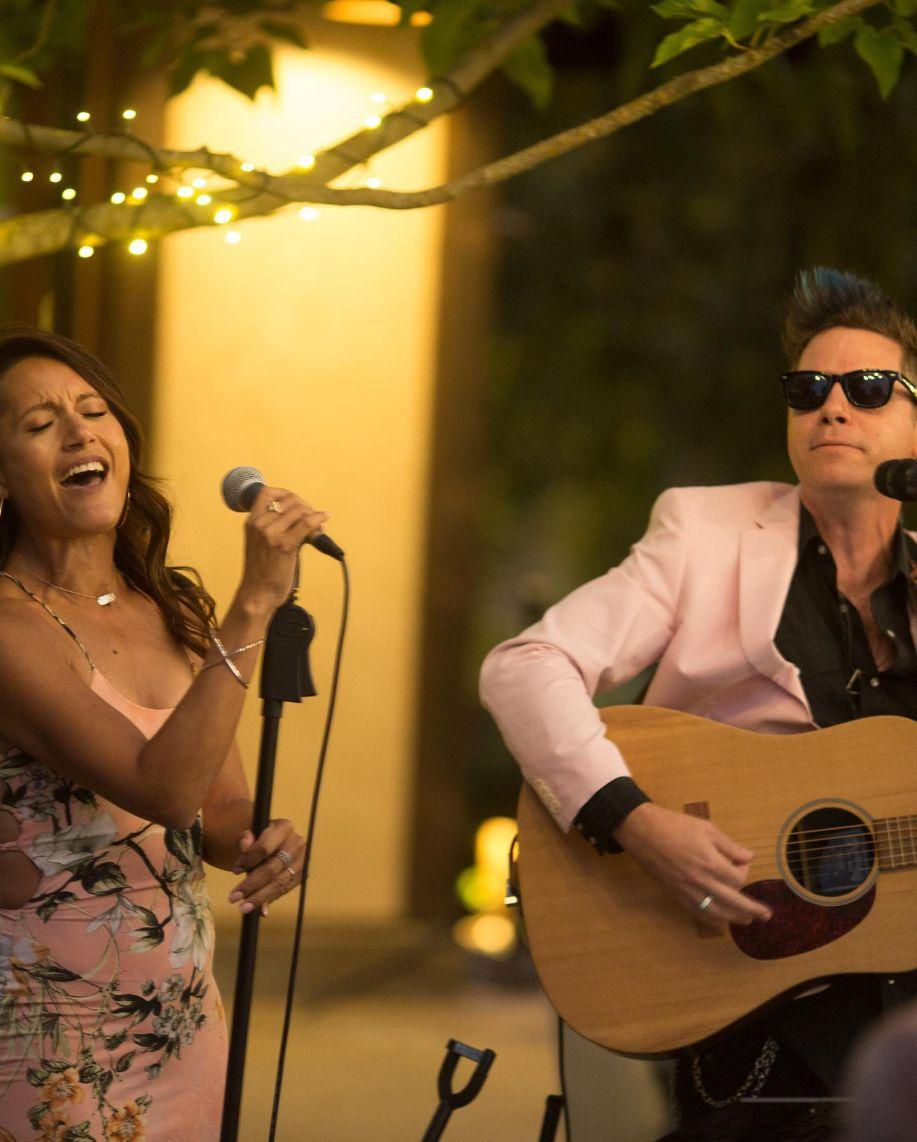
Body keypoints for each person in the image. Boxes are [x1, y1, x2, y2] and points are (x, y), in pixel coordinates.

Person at [480, 267, 917, 1139]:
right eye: (807, 390)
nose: (832, 408)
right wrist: (633, 819)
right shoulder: (705, 533)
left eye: (867, 388)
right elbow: (524, 665)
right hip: (747, 994)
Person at [0, 325, 326, 1140]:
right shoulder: (8, 626)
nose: (79, 434)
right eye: (40, 424)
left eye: (93, 411)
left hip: (181, 1026)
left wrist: (261, 841)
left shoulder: (168, 609)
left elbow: (212, 811)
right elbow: (162, 788)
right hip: (48, 1036)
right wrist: (254, 604)